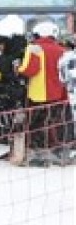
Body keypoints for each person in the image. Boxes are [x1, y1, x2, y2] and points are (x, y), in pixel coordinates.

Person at [16, 21, 72, 167]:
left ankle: (38, 154)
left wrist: (18, 69)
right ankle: (59, 152)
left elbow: (30, 70)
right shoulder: (63, 51)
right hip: (59, 93)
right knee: (56, 123)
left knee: (36, 125)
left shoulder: (34, 48)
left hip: (38, 94)